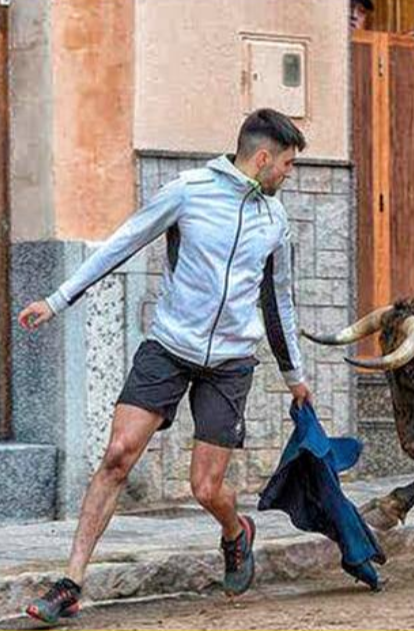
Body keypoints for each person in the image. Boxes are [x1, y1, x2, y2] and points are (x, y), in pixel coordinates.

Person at [20, 108, 313, 624]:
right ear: (262, 158)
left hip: (230, 363)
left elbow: (279, 302)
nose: (289, 174)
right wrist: (57, 299)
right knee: (117, 455)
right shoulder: (189, 191)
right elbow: (122, 242)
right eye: (287, 164)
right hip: (169, 347)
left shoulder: (277, 220)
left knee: (206, 488)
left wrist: (295, 377)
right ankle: (71, 584)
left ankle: (234, 531)